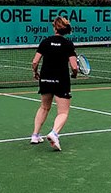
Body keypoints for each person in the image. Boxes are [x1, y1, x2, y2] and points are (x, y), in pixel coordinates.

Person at [30, 16, 78, 151]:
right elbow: (74, 67)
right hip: (61, 80)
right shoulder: (68, 44)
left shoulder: (45, 42)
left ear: (55, 28)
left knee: (44, 107)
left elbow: (35, 62)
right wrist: (75, 74)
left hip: (45, 79)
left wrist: (35, 73)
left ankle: (35, 135)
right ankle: (54, 133)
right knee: (63, 112)